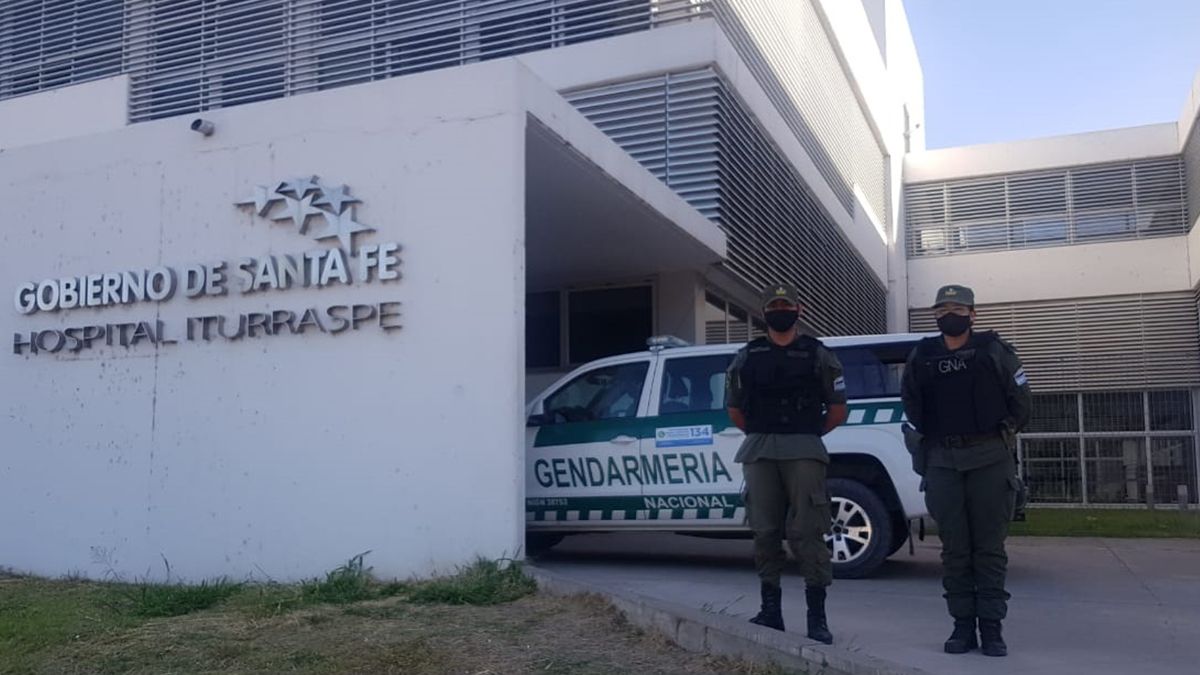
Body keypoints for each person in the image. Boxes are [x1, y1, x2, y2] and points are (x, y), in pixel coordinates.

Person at [900, 284, 1031, 657]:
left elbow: (1021, 404)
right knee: (955, 550)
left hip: (990, 457)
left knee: (988, 549)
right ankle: (961, 627)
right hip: (942, 459)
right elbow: (911, 401)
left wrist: (997, 435)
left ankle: (991, 628)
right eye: (941, 310)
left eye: (957, 308)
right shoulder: (921, 355)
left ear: (973, 314)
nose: (949, 315)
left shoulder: (995, 351)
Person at [724, 283, 848, 644]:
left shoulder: (818, 354)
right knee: (764, 530)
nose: (781, 310)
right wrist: (767, 433)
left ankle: (817, 618)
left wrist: (806, 436)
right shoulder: (747, 355)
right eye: (774, 305)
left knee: (809, 530)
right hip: (760, 449)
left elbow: (837, 409)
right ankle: (770, 611)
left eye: (786, 305)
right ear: (765, 313)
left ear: (799, 309)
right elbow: (734, 407)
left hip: (804, 448)